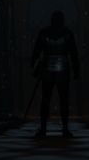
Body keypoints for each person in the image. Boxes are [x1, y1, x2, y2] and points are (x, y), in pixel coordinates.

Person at [31, 9, 80, 137]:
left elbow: (35, 54)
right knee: (63, 100)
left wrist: (34, 68)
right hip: (62, 70)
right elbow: (74, 55)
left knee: (46, 99)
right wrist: (76, 70)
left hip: (47, 70)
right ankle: (64, 129)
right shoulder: (68, 34)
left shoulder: (43, 34)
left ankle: (43, 129)